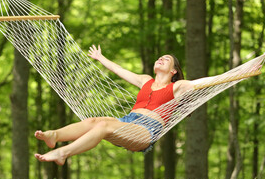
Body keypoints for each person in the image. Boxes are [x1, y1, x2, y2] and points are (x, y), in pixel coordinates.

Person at [34, 45, 194, 165]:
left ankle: (63, 153)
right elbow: (120, 70)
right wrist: (100, 57)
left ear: (173, 71)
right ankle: (55, 135)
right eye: (159, 58)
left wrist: (220, 78)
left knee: (103, 125)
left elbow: (200, 83)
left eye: (166, 59)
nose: (160, 59)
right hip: (128, 121)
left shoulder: (177, 87)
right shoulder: (146, 80)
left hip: (146, 130)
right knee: (94, 121)